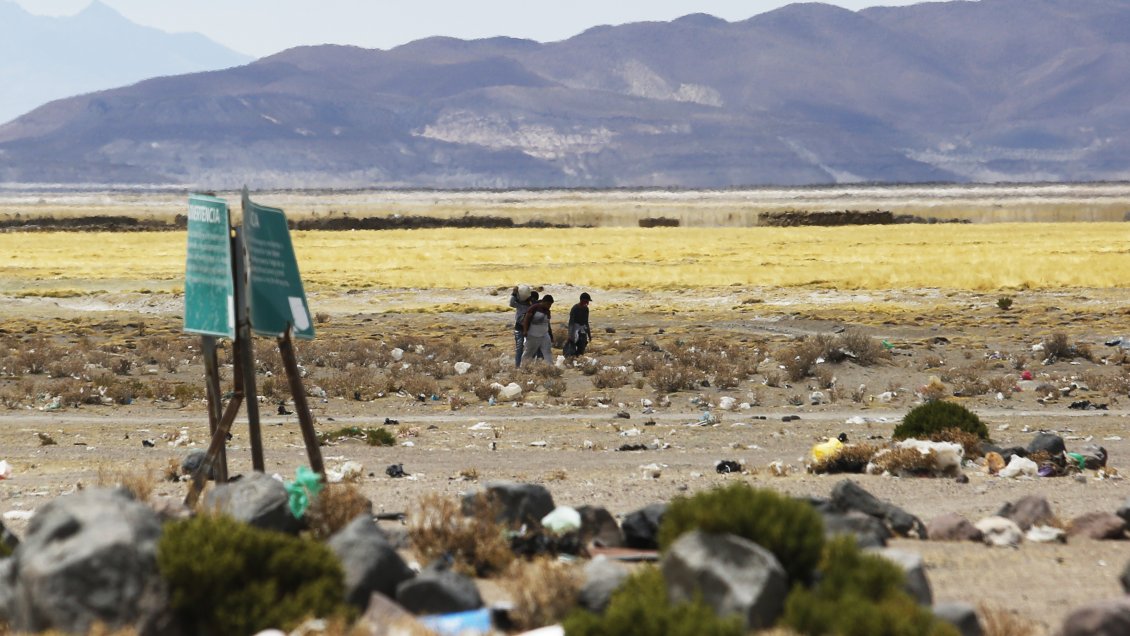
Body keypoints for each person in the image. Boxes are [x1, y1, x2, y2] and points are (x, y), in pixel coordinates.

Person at [509, 286, 538, 367]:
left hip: (530, 329)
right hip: (519, 328)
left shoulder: (532, 305)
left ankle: (529, 365)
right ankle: (518, 366)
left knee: (531, 348)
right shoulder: (519, 304)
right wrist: (514, 294)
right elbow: (511, 303)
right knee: (519, 348)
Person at [521, 294, 554, 366]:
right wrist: (525, 331)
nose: (549, 306)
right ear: (544, 302)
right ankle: (523, 367)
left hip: (544, 335)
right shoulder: (534, 308)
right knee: (529, 352)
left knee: (547, 351)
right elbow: (526, 320)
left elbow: (548, 324)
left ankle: (551, 367)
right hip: (533, 335)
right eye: (548, 304)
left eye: (550, 305)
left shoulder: (547, 311)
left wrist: (551, 335)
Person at [567, 292, 593, 356]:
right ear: (582, 300)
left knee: (582, 347)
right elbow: (571, 322)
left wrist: (589, 334)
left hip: (582, 330)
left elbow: (586, 322)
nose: (588, 303)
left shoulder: (586, 309)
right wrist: (570, 335)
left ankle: (578, 360)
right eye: (587, 301)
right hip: (574, 330)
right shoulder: (575, 308)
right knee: (571, 349)